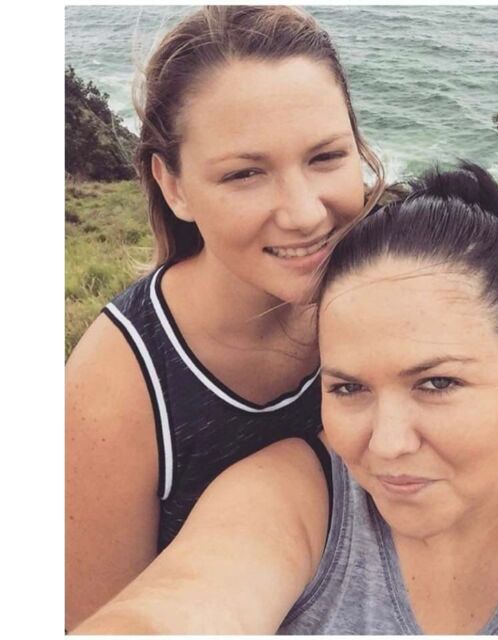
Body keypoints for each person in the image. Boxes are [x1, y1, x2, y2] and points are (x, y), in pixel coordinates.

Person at [73, 163, 498, 635]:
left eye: (437, 383)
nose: (387, 444)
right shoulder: (293, 498)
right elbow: (179, 605)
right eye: (349, 388)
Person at [64, 5, 387, 630]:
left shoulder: (389, 286)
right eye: (245, 174)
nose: (303, 213)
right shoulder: (113, 393)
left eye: (325, 157)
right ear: (174, 186)